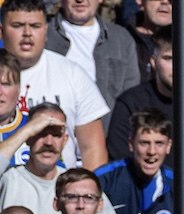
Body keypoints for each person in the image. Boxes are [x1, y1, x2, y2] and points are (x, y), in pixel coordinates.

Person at [0, 0, 110, 170]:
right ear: (1, 31)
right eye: (18, 25)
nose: (27, 33)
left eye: (35, 26)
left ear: (46, 31)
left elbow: (92, 148)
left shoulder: (72, 74)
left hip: (58, 189)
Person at [106, 28, 184, 166]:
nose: (177, 66)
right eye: (169, 58)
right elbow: (121, 161)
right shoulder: (131, 103)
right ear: (154, 62)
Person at [0, 103, 124, 214]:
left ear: (65, 141)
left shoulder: (78, 185)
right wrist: (27, 130)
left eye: (55, 135)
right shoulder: (8, 178)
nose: (48, 142)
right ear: (28, 138)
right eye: (41, 133)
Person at [44, 0, 141, 131]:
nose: (80, 0)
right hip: (51, 136)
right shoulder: (43, 35)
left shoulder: (121, 40)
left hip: (105, 140)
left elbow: (131, 99)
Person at [96, 109, 174, 214]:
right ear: (131, 144)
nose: (152, 151)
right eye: (144, 143)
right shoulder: (105, 178)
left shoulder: (177, 186)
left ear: (168, 146)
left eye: (159, 143)